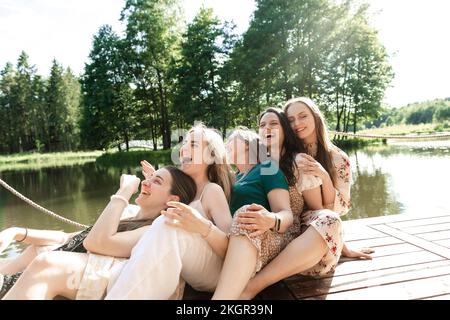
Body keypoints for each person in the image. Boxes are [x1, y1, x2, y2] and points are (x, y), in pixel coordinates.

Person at [239, 97, 373, 300]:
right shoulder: (269, 155)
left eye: (303, 116)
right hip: (275, 233)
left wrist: (325, 177)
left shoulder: (334, 158)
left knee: (327, 219)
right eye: (290, 119)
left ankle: (254, 286)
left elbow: (330, 212)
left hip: (309, 236)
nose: (296, 124)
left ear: (316, 117)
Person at [2, 166, 197, 300]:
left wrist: (123, 192)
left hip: (83, 278)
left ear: (173, 199)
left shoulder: (153, 230)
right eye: (148, 178)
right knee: (36, 249)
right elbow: (68, 238)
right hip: (47, 268)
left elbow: (97, 243)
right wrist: (18, 232)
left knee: (44, 260)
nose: (145, 183)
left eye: (157, 181)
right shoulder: (129, 216)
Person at [104, 124, 235, 299]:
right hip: (187, 261)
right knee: (138, 214)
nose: (183, 149)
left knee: (166, 224)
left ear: (211, 156)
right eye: (184, 143)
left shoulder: (211, 191)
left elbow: (231, 248)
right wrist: (155, 180)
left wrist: (202, 227)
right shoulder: (182, 190)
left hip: (214, 272)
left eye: (193, 145)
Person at [212, 109, 324, 300]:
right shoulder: (233, 178)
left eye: (232, 141)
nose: (226, 145)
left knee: (245, 214)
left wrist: (270, 219)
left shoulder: (267, 169)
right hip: (229, 238)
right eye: (226, 143)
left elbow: (286, 213)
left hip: (258, 237)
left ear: (249, 146)